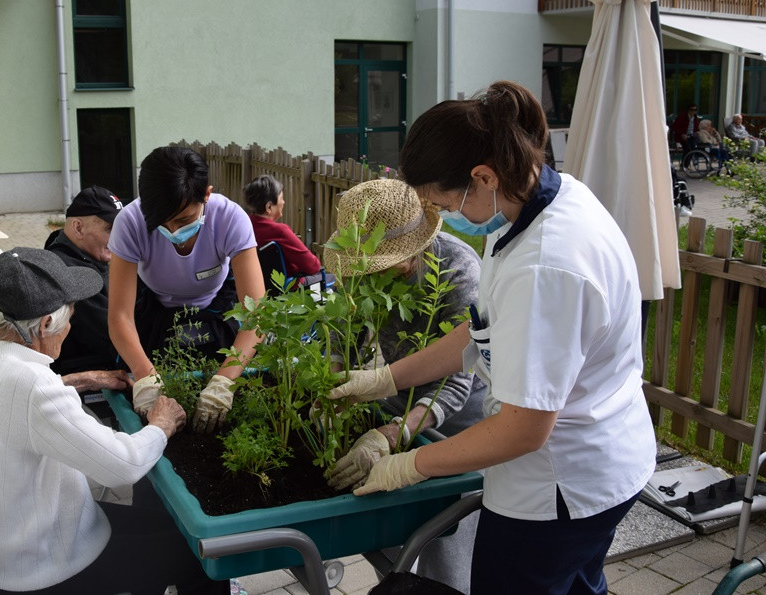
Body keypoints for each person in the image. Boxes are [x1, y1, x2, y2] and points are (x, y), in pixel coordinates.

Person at [327, 81, 657, 594]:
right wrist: (386, 378)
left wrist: (409, 464)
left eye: (441, 200)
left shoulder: (548, 266)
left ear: (482, 177)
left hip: (559, 488)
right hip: (602, 461)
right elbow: (480, 327)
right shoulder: (537, 206)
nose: (444, 215)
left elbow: (524, 430)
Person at [0, 247, 227, 594]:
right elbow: (122, 465)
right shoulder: (32, 388)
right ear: (46, 324)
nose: (70, 329)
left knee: (168, 532)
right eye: (69, 319)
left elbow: (12, 404)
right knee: (203, 556)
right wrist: (162, 423)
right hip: (47, 569)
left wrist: (80, 379)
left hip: (11, 554)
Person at [322, 178, 486, 594]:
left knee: (445, 548)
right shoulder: (359, 264)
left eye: (383, 266)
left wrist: (393, 435)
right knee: (394, 551)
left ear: (412, 252)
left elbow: (455, 383)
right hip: (397, 398)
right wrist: (333, 386)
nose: (369, 279)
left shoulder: (458, 271)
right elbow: (345, 330)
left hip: (460, 423)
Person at [107, 146, 266, 433]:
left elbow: (257, 315)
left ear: (206, 194)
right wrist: (145, 376)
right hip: (158, 308)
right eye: (160, 222)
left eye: (183, 220)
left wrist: (224, 381)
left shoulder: (229, 218)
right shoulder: (131, 222)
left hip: (216, 306)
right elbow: (120, 316)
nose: (171, 231)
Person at [44, 186, 124, 377]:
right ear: (78, 228)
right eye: (110, 229)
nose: (120, 237)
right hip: (91, 372)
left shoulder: (88, 255)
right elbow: (115, 333)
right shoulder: (70, 273)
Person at [243, 174, 322, 278]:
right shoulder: (280, 232)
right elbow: (312, 266)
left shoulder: (244, 226)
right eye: (281, 198)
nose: (283, 202)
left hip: (256, 285)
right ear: (269, 207)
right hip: (287, 289)